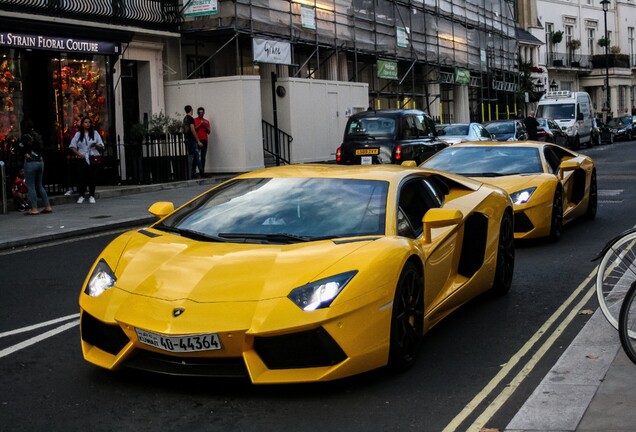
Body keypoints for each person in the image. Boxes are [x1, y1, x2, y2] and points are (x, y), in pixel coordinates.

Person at [19, 120, 53, 215]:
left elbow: (21, 148)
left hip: (30, 162)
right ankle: (47, 206)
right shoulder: (37, 136)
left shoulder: (25, 137)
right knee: (40, 185)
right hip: (40, 161)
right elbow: (42, 148)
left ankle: (34, 208)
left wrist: (25, 153)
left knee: (31, 186)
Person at [69, 116, 104, 204]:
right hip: (82, 157)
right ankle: (81, 195)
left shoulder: (95, 133)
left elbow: (101, 145)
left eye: (89, 122)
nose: (87, 124)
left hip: (92, 156)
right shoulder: (78, 134)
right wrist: (79, 154)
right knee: (81, 177)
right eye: (85, 122)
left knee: (92, 177)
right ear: (82, 124)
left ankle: (92, 195)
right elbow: (72, 146)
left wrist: (95, 145)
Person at [183, 105, 204, 178]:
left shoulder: (185, 119)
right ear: (191, 110)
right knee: (197, 156)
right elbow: (193, 130)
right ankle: (202, 173)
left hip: (187, 140)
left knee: (192, 157)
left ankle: (192, 173)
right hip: (192, 140)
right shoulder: (191, 118)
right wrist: (198, 141)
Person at [194, 107, 211, 174]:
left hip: (204, 139)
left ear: (204, 113)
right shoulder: (195, 120)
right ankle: (194, 171)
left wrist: (205, 126)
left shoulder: (206, 121)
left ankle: (202, 171)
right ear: (198, 113)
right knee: (196, 156)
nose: (201, 114)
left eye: (202, 112)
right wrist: (200, 124)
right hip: (197, 139)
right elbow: (194, 129)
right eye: (199, 112)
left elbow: (209, 132)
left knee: (203, 156)